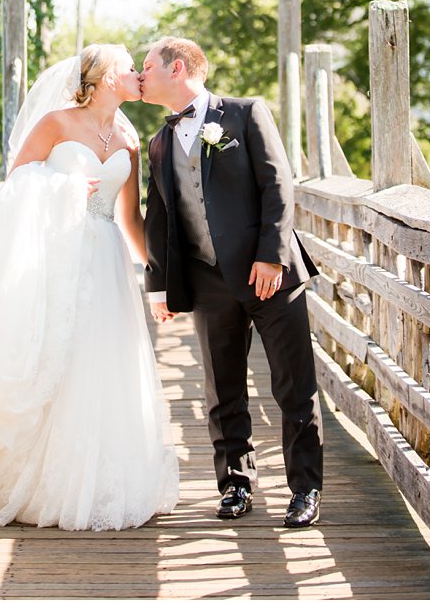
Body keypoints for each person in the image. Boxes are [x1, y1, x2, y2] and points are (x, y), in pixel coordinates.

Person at [0, 44, 179, 530]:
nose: (138, 74)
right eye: (129, 68)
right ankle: (30, 480)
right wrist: (58, 190)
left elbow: (129, 216)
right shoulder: (56, 124)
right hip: (57, 255)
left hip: (106, 259)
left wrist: (162, 280)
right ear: (103, 78)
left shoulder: (129, 136)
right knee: (56, 359)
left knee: (99, 364)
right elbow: (14, 185)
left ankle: (95, 481)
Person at [139, 36, 324, 527]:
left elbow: (278, 186)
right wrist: (159, 285)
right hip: (208, 282)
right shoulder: (158, 142)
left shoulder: (244, 114)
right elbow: (158, 217)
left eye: (147, 67)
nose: (141, 76)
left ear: (176, 68)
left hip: (271, 276)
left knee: (293, 386)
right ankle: (235, 485)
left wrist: (271, 257)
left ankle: (304, 490)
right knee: (222, 389)